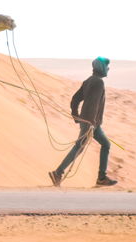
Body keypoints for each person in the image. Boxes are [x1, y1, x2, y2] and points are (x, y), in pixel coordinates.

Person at [49, 57, 118, 187]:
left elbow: (75, 99)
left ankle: (101, 178)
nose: (108, 69)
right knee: (79, 147)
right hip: (90, 122)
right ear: (101, 68)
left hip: (92, 123)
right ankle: (58, 172)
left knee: (105, 144)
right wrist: (89, 122)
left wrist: (76, 115)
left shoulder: (88, 81)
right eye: (107, 67)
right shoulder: (98, 82)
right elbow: (93, 104)